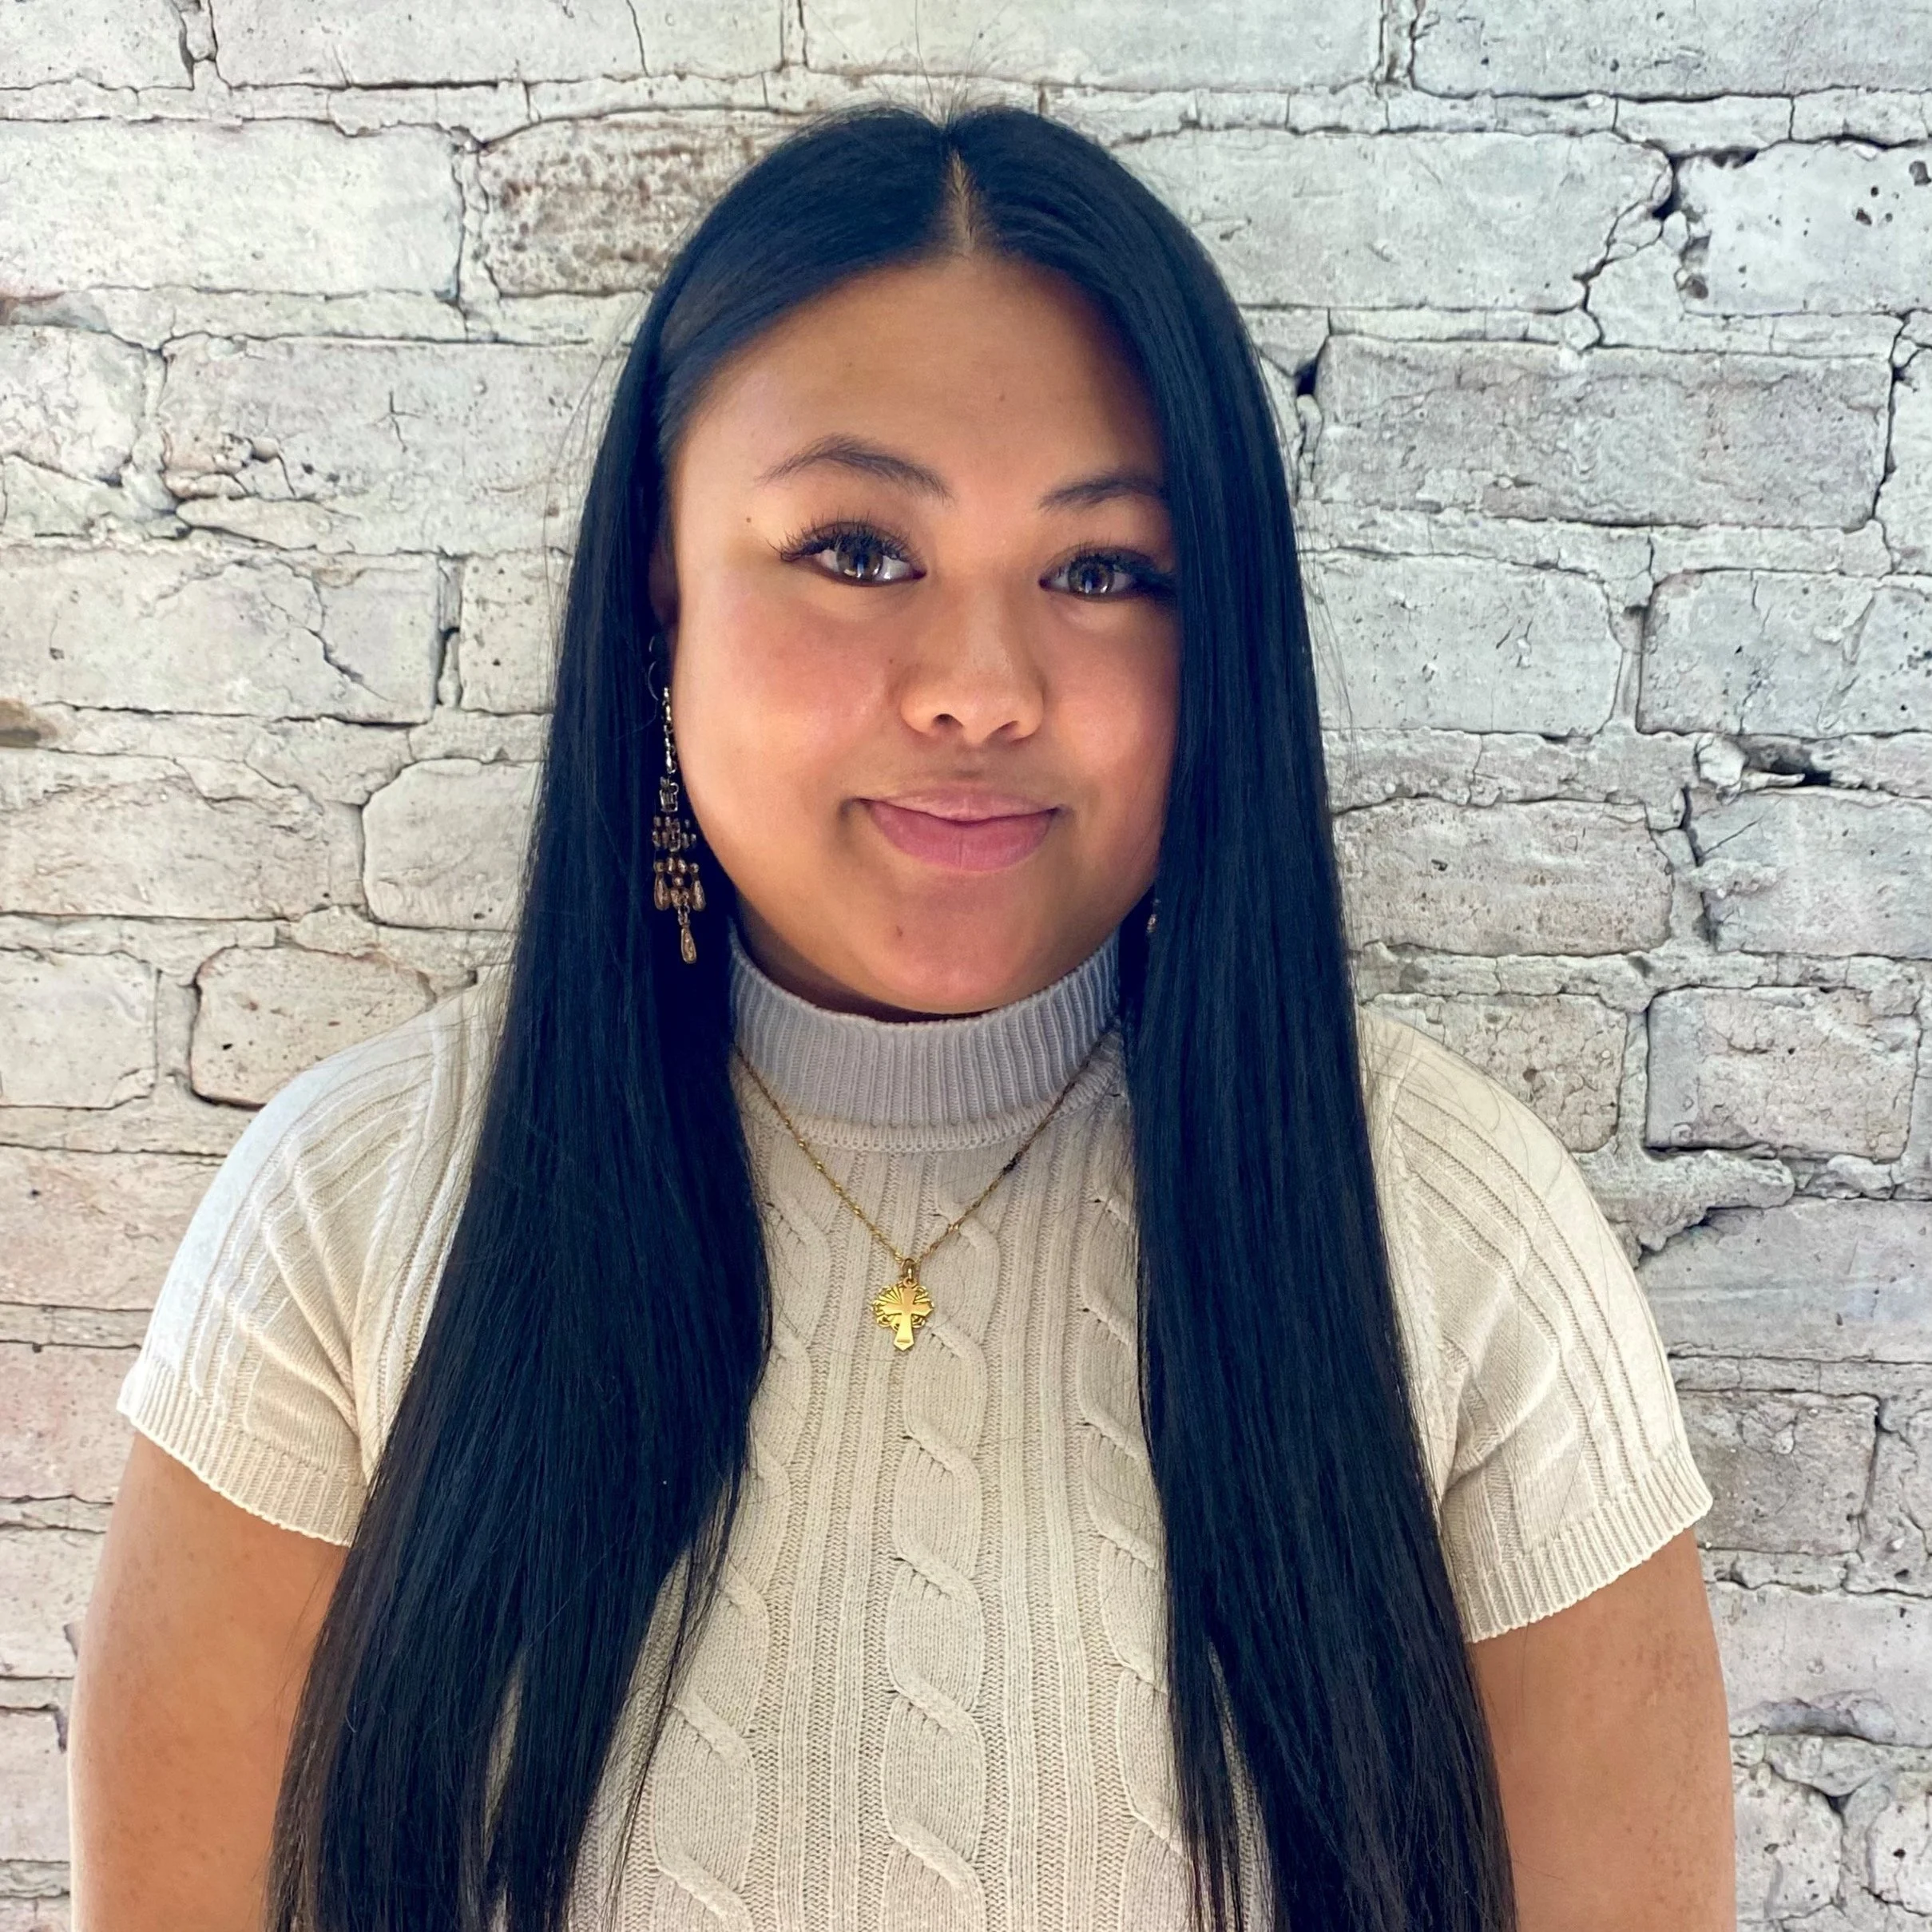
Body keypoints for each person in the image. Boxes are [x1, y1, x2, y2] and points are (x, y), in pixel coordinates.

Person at [68, 102, 1734, 1932]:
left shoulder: (1460, 1244)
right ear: (662, 594)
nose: (979, 689)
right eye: (859, 551)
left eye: (1102, 572)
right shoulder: (350, 1220)